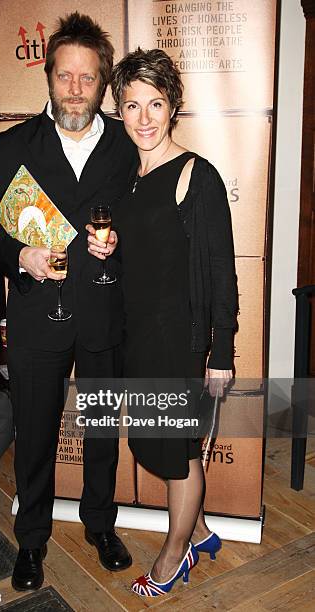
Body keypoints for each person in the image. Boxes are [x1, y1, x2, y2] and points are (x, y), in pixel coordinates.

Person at [0, 13, 137, 592]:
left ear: (103, 84)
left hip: (101, 314)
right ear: (48, 77)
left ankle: (100, 526)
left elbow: (143, 230)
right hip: (34, 318)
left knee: (100, 429)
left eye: (88, 78)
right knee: (37, 434)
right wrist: (23, 256)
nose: (75, 87)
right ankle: (32, 541)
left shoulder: (126, 148)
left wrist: (118, 245)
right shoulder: (13, 146)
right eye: (65, 75)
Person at [88, 48, 238, 597]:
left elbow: (222, 270)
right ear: (120, 111)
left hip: (177, 337)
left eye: (155, 103)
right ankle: (197, 532)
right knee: (155, 444)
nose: (144, 118)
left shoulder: (197, 175)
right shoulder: (129, 175)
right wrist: (108, 252)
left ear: (173, 106)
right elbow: (144, 259)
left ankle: (174, 556)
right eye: (131, 105)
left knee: (176, 451)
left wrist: (221, 352)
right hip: (137, 333)